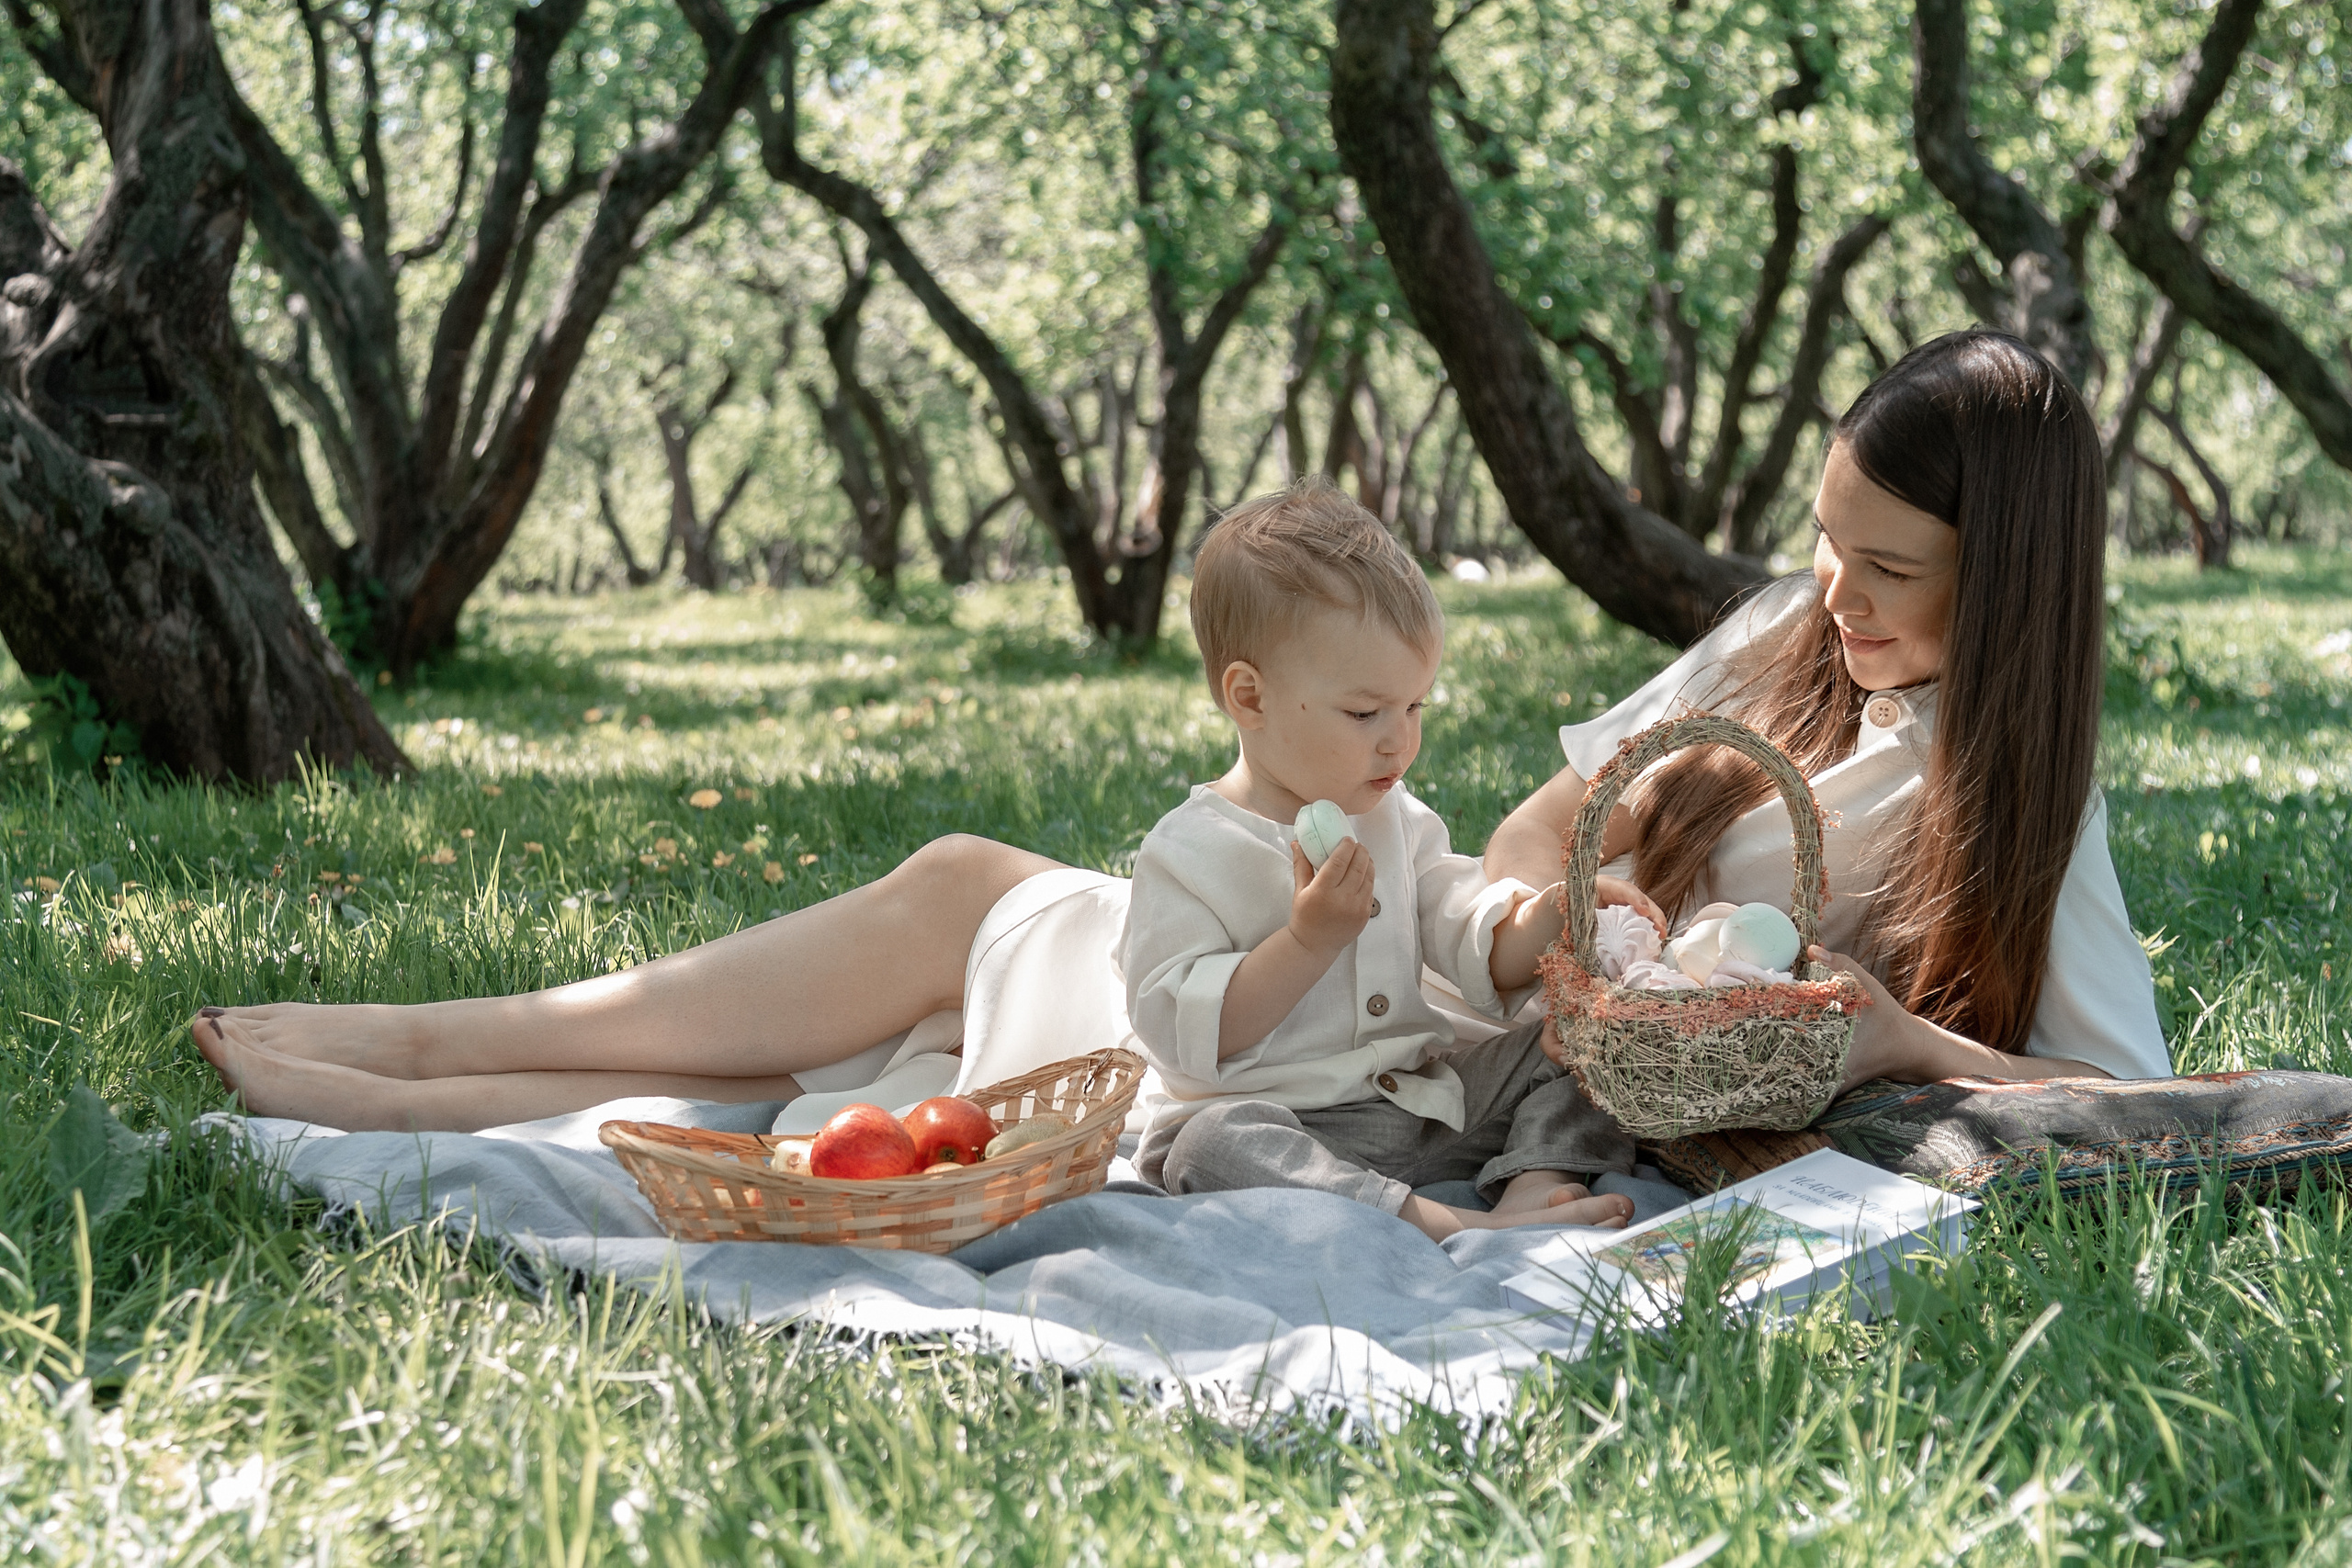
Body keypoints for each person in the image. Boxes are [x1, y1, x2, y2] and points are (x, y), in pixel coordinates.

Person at [195, 328, 2171, 1150]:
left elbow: (2112, 1104)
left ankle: (426, 1082)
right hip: (1433, 977)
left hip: (1403, 1067)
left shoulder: (2018, 816)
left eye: (1887, 571)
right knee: (961, 912)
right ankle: (436, 1043)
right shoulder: (1777, 651)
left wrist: (1899, 1040)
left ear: (2015, 575)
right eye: (1824, 550)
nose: (1834, 601)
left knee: (961, 975)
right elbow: (1521, 830)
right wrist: (1543, 914)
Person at [1121, 480, 1657, 1239]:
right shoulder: (1190, 850)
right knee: (1208, 1146)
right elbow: (1184, 1038)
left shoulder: (1393, 814)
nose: (1398, 740)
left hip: (1419, 1104)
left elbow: (1469, 932)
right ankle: (1440, 1222)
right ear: (1249, 696)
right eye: (1365, 712)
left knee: (1579, 1045)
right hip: (1291, 1128)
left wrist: (1551, 912)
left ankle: (1536, 1182)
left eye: (1415, 707)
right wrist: (1308, 942)